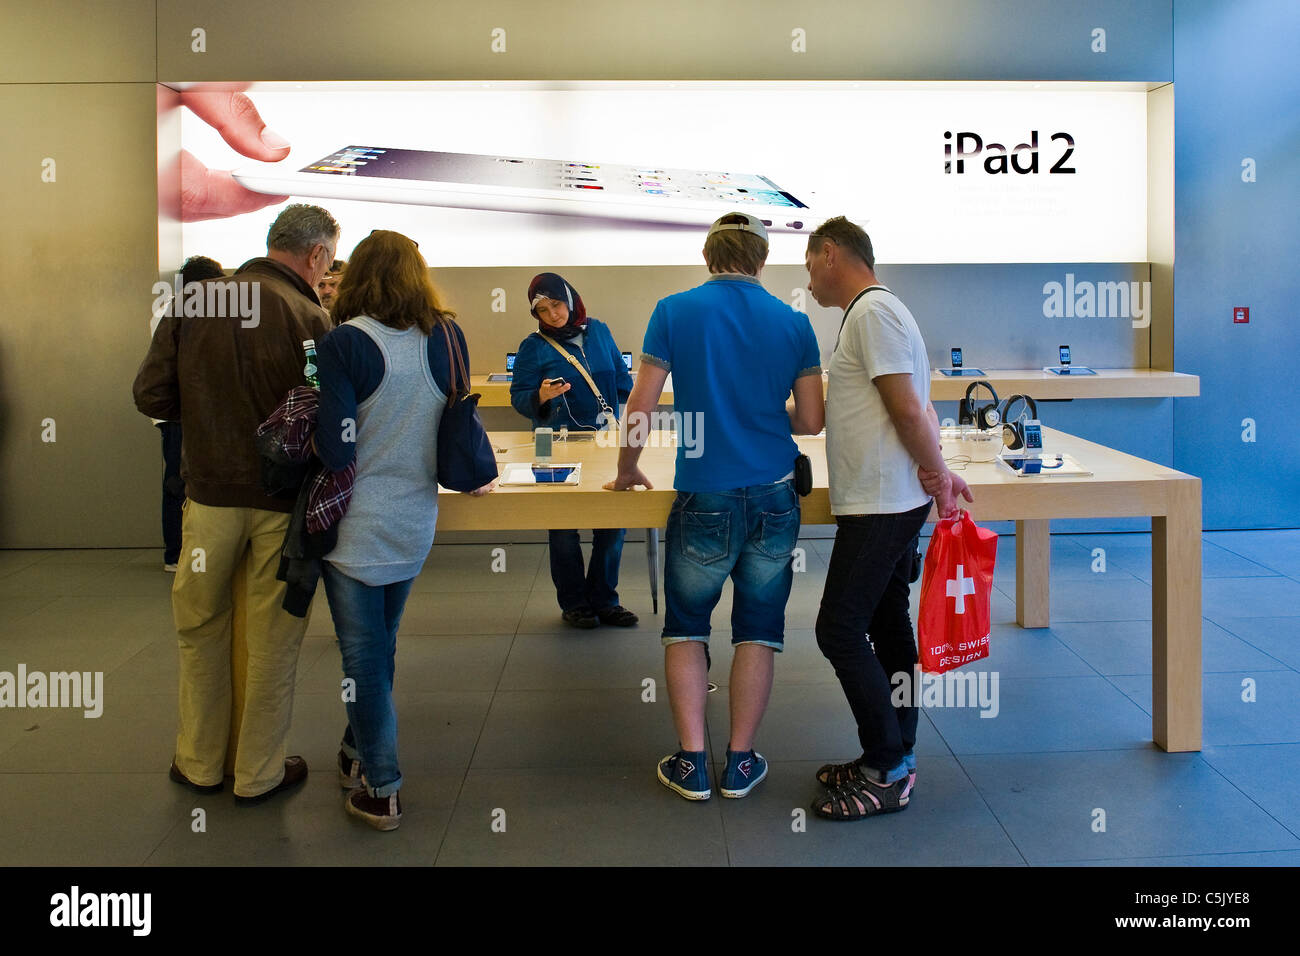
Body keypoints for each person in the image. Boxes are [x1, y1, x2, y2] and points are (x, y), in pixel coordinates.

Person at [607, 212, 825, 801]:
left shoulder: (673, 311)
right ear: (760, 259)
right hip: (775, 494)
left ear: (709, 256)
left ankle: (692, 762)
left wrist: (627, 470)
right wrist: (758, 416)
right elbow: (809, 420)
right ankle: (742, 760)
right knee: (759, 630)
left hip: (703, 493)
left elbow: (641, 403)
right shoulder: (793, 322)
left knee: (686, 626)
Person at [133, 203, 338, 804]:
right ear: (318, 255)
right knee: (271, 637)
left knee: (199, 628)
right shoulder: (310, 315)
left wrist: (204, 418)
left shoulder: (196, 302)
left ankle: (198, 763)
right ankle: (257, 773)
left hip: (208, 500)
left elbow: (150, 394)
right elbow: (327, 411)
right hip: (281, 505)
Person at [314, 230, 492, 831]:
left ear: (357, 275)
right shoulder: (447, 337)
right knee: (379, 650)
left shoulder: (344, 343)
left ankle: (382, 789)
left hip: (353, 526)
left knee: (363, 660)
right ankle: (354, 749)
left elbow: (336, 449)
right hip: (415, 521)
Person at [802, 215, 972, 821]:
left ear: (829, 254)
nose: (810, 281)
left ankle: (887, 767)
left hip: (883, 503)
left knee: (838, 630)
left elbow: (907, 409)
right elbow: (916, 406)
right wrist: (939, 470)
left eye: (808, 264)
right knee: (888, 622)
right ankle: (894, 751)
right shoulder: (880, 313)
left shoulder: (873, 313)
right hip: (886, 499)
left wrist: (936, 475)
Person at [510, 272, 638, 629]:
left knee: (612, 524)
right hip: (553, 444)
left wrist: (614, 418)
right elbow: (519, 398)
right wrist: (541, 396)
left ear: (571, 298)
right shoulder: (533, 346)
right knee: (563, 525)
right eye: (543, 310)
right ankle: (575, 603)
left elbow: (623, 381)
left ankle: (605, 600)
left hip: (603, 440)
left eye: (557, 304)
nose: (552, 315)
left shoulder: (599, 331)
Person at [149, 254, 224, 572]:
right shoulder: (181, 313)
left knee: (179, 481)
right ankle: (177, 553)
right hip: (183, 412)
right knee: (179, 482)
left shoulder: (169, 311)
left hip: (176, 412)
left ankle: (181, 552)